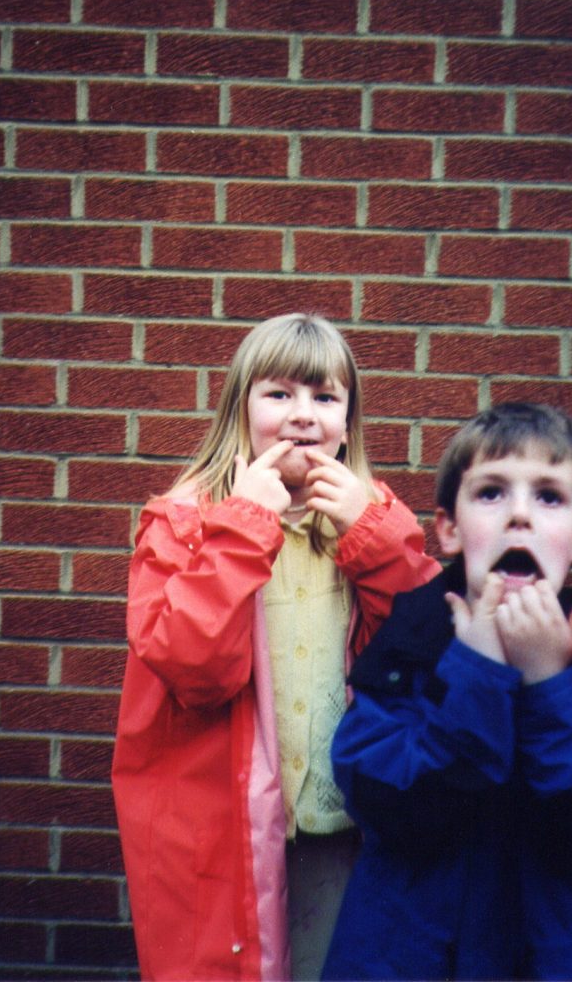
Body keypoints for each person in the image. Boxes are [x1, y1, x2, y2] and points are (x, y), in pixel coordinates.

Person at [112, 313, 441, 981]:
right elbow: (194, 666)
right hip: (220, 833)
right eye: (279, 394)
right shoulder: (182, 524)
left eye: (324, 397)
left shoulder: (375, 518)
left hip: (344, 828)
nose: (302, 415)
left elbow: (429, 650)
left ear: (348, 422)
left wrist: (373, 538)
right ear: (240, 408)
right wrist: (244, 524)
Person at [322, 402, 572, 981]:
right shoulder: (408, 642)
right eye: (491, 493)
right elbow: (386, 802)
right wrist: (476, 670)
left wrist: (549, 684)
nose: (520, 516)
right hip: (409, 955)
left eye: (549, 497)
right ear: (449, 528)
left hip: (557, 958)